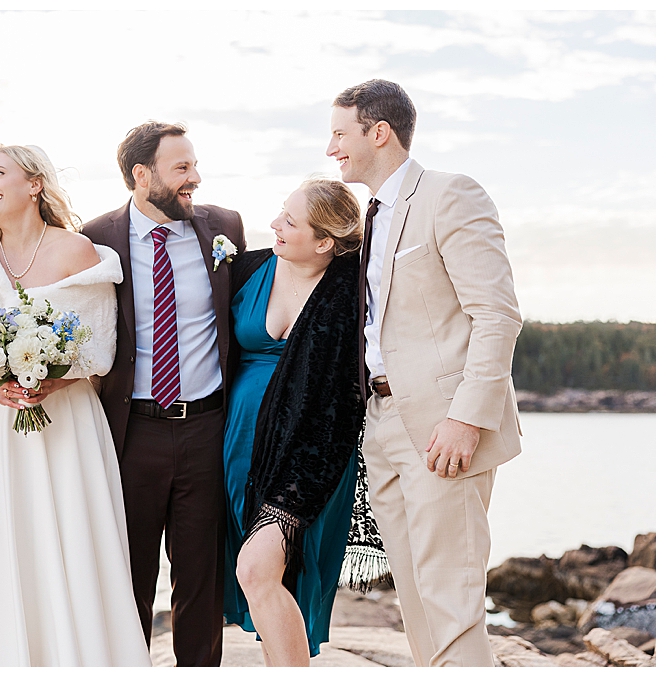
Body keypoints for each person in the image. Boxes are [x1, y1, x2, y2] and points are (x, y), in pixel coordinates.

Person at [0, 144, 149, 666]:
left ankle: (77, 653)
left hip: (66, 419)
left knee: (70, 534)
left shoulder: (78, 251)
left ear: (35, 184)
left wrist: (51, 381)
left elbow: (99, 350)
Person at [327, 79, 523, 667]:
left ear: (378, 132)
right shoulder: (371, 217)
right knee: (415, 598)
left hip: (443, 428)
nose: (331, 147)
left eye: (340, 133)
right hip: (382, 423)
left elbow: (497, 314)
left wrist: (465, 418)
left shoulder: (449, 195)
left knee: (451, 599)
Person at [78, 122, 245, 667]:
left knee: (201, 580)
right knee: (127, 578)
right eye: (182, 168)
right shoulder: (95, 238)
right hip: (131, 432)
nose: (195, 178)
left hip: (207, 428)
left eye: (194, 165)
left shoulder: (224, 228)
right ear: (140, 175)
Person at [218, 178, 380, 665]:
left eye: (290, 221)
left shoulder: (353, 290)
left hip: (311, 454)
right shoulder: (249, 270)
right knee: (266, 583)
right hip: (241, 447)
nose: (274, 226)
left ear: (325, 242)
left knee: (263, 569)